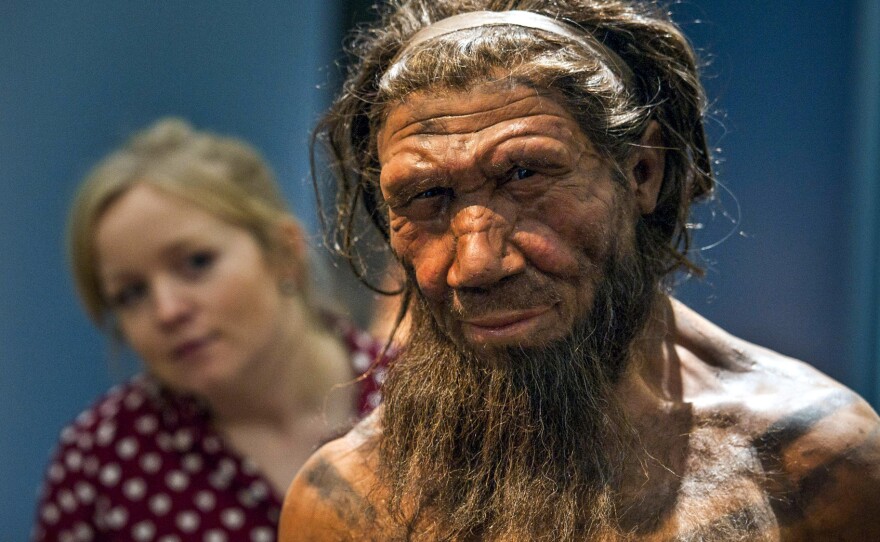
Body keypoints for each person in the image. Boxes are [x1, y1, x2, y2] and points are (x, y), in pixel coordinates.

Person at [279, 1, 880, 540]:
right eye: (427, 196)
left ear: (642, 172)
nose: (478, 264)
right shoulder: (350, 504)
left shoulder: (814, 462)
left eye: (525, 176)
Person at [32, 118, 388, 542]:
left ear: (283, 252)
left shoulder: (419, 395)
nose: (166, 311)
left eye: (197, 263)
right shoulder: (98, 462)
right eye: (130, 294)